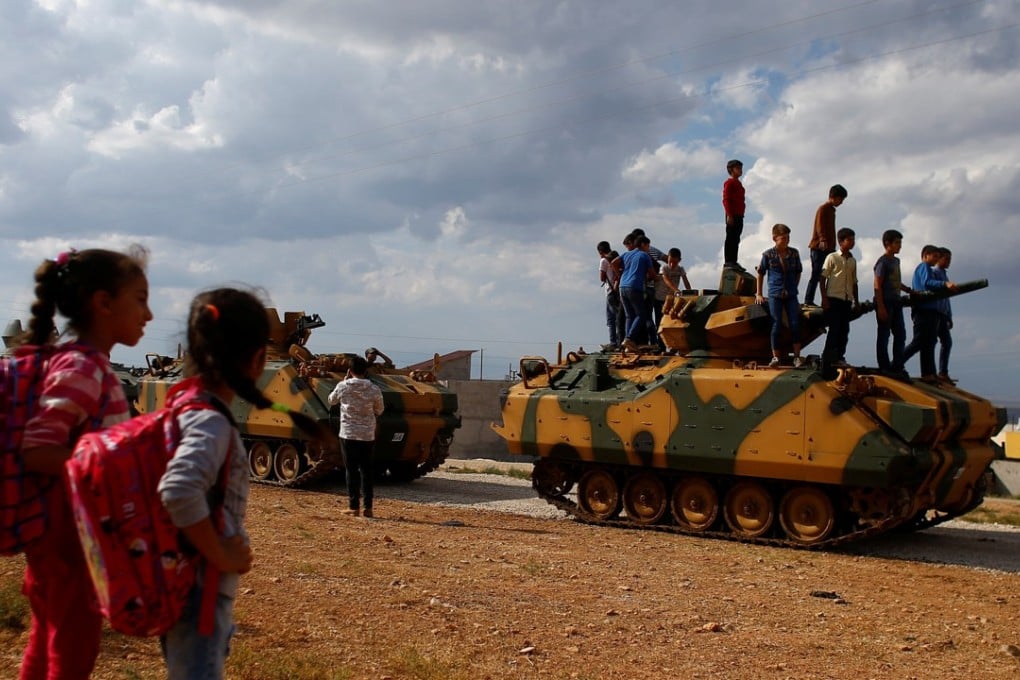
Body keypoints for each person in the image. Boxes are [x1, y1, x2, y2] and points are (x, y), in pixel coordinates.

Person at [158, 288, 334, 680]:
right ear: (257, 360)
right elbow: (179, 490)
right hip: (200, 591)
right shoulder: (211, 423)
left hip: (177, 578)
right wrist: (219, 553)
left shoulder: (184, 405)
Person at [16, 246, 152, 680]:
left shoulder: (82, 363)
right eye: (140, 298)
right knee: (73, 648)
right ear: (104, 303)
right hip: (70, 536)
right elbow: (37, 448)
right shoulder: (83, 367)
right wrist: (106, 463)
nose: (148, 314)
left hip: (66, 532)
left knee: (48, 639)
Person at [328, 355, 385, 518]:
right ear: (366, 370)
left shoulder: (343, 386)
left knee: (351, 471)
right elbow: (380, 410)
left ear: (350, 370)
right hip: (367, 435)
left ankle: (354, 507)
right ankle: (368, 508)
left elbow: (331, 401)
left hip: (348, 434)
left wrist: (345, 380)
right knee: (367, 471)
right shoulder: (374, 389)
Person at [902, 245, 956, 383]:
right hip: (923, 309)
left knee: (929, 342)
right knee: (919, 341)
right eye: (935, 256)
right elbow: (928, 283)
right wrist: (945, 284)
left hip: (932, 310)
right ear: (926, 255)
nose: (936, 259)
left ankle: (929, 373)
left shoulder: (932, 270)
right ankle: (896, 364)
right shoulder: (924, 267)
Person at [755, 224, 804, 368]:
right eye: (783, 238)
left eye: (788, 237)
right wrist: (759, 294)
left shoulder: (794, 253)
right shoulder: (768, 255)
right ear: (774, 238)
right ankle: (776, 357)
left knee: (795, 324)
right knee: (776, 324)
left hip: (790, 293)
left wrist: (794, 286)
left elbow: (798, 271)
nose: (787, 240)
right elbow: (761, 273)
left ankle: (796, 357)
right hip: (775, 294)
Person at [819, 228, 858, 379]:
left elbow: (854, 282)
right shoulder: (832, 257)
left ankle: (840, 357)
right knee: (834, 331)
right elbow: (823, 278)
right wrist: (824, 298)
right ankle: (828, 360)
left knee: (844, 331)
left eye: (853, 240)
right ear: (841, 242)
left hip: (846, 300)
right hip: (833, 298)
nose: (852, 242)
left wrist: (857, 300)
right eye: (849, 240)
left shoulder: (853, 261)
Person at [874, 229, 913, 377]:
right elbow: (877, 285)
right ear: (887, 244)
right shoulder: (882, 262)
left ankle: (897, 364)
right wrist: (881, 307)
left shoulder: (896, 261)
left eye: (900, 243)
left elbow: (895, 281)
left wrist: (908, 290)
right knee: (884, 336)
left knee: (900, 334)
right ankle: (884, 366)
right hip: (886, 302)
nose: (900, 246)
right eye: (897, 243)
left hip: (896, 302)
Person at [804, 184, 848, 306]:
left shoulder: (832, 210)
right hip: (819, 247)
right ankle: (808, 300)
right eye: (841, 199)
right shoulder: (823, 208)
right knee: (816, 274)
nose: (841, 202)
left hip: (828, 248)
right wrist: (822, 239)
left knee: (828, 274)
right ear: (833, 197)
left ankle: (827, 299)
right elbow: (820, 225)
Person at [618, 235, 657, 352]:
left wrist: (621, 274)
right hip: (635, 287)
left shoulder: (627, 254)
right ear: (643, 244)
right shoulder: (645, 256)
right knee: (641, 315)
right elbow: (652, 274)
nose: (648, 248)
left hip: (622, 286)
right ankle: (629, 338)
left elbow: (614, 262)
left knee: (630, 315)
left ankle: (628, 345)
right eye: (648, 246)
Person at [656, 248, 692, 341]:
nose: (672, 265)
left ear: (679, 260)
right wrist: (676, 290)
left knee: (673, 321)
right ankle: (661, 345)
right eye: (670, 261)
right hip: (660, 298)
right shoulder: (664, 268)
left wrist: (690, 292)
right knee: (660, 322)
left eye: (674, 262)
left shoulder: (680, 269)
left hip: (672, 299)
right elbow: (666, 280)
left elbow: (686, 281)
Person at [597, 241, 623, 349]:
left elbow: (602, 278)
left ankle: (614, 342)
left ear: (600, 252)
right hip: (617, 291)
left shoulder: (604, 260)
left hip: (610, 291)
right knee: (618, 317)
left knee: (611, 319)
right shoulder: (616, 258)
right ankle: (618, 341)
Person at [935, 247, 955, 383]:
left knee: (946, 342)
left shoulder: (944, 274)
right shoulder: (935, 273)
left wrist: (949, 315)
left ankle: (943, 372)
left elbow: (946, 299)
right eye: (946, 259)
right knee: (927, 342)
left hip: (943, 313)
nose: (948, 262)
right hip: (936, 313)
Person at [722, 159, 745, 266]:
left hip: (739, 215)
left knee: (736, 239)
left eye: (741, 168)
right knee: (731, 238)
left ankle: (733, 261)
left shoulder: (739, 184)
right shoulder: (729, 183)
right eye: (738, 168)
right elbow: (726, 199)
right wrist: (729, 215)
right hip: (732, 215)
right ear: (731, 170)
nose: (740, 170)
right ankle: (728, 261)